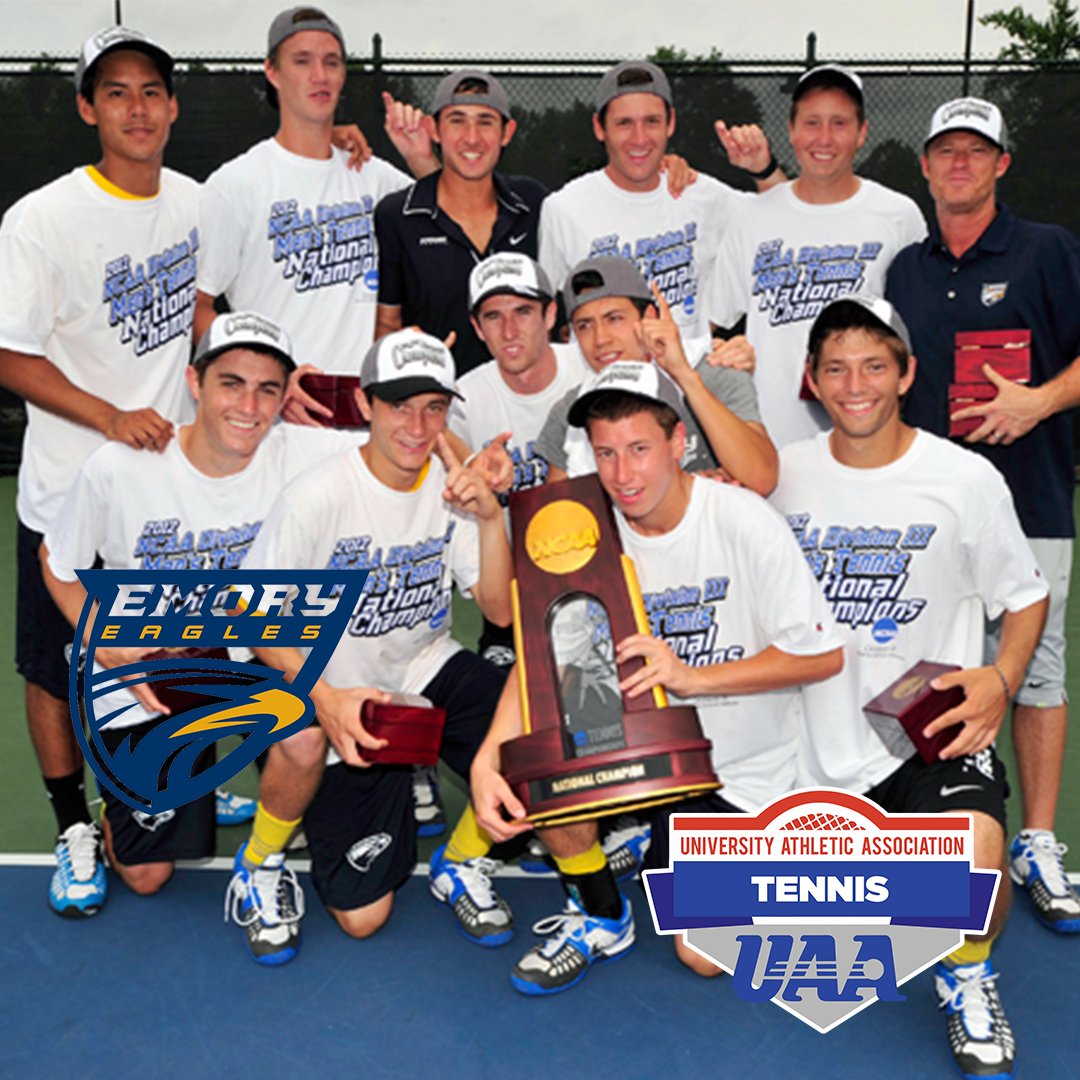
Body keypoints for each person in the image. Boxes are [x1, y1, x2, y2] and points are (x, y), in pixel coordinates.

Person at [470, 362, 842, 993]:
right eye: (607, 453)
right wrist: (486, 762)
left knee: (703, 953)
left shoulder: (742, 519)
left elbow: (820, 657)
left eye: (640, 449)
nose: (622, 474)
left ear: (678, 444)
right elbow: (541, 653)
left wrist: (693, 678)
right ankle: (601, 914)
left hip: (740, 770)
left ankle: (704, 843)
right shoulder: (586, 531)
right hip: (643, 756)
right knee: (541, 761)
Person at [770, 295, 1049, 1080]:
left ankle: (967, 977)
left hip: (927, 735)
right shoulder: (778, 474)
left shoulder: (964, 477)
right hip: (809, 742)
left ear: (906, 373)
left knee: (976, 870)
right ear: (812, 382)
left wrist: (1001, 676)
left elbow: (1026, 596)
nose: (855, 384)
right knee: (704, 950)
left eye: (873, 366)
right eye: (835, 368)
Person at [224, 329, 515, 965]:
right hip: (327, 684)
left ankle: (460, 862)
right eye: (399, 405)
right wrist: (325, 699)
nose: (417, 424)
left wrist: (492, 518)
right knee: (362, 917)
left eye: (433, 407)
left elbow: (496, 609)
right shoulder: (318, 496)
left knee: (534, 733)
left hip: (420, 668)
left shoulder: (452, 490)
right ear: (365, 405)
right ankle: (259, 860)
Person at [39, 312, 353, 897]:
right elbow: (57, 564)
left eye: (267, 390)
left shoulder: (304, 452)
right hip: (157, 655)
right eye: (231, 383)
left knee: (305, 741)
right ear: (194, 382)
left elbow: (402, 441)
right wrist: (106, 641)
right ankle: (130, 807)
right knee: (146, 875)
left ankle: (261, 858)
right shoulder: (121, 467)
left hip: (255, 644)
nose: (249, 406)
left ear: (286, 395)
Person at [0, 26, 198, 917]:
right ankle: (70, 822)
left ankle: (178, 777)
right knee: (56, 669)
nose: (137, 107)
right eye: (115, 92)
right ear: (88, 109)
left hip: (163, 505)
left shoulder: (198, 205)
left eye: (151, 90)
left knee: (168, 651)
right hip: (65, 499)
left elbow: (208, 309)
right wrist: (112, 417)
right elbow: (10, 355)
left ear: (172, 106)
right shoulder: (40, 219)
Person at [885, 97, 1080, 936]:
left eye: (976, 151)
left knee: (1035, 670)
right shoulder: (905, 269)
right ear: (924, 167)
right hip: (930, 512)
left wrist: (1039, 401)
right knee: (929, 663)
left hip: (1030, 497)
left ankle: (1036, 838)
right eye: (945, 152)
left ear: (1002, 164)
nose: (959, 163)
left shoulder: (1046, 250)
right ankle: (937, 823)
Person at [195, 6, 436, 425]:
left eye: (331, 62)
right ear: (272, 72)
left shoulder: (373, 176)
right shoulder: (235, 184)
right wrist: (269, 379)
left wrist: (420, 157)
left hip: (367, 425)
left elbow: (448, 217)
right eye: (302, 61)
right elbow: (199, 310)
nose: (320, 76)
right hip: (279, 426)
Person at [709, 64, 926, 446]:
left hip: (867, 444)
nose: (824, 138)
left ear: (862, 133)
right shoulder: (752, 217)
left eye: (839, 123)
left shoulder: (898, 215)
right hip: (770, 447)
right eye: (812, 123)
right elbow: (710, 321)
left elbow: (916, 328)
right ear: (791, 131)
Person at [539, 59, 784, 339]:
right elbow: (544, 315)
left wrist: (763, 169)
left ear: (671, 123)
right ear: (599, 127)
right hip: (603, 381)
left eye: (652, 121)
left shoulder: (701, 195)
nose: (639, 138)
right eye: (624, 124)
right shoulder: (563, 208)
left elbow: (785, 221)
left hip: (686, 379)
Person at [535, 255, 777, 495]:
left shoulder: (713, 371)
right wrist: (687, 486)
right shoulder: (571, 411)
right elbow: (560, 517)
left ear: (649, 317)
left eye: (615, 319)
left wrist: (684, 375)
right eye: (585, 325)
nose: (601, 339)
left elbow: (763, 478)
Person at [373, 69, 548, 375]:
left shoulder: (535, 203)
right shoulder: (397, 215)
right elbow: (388, 322)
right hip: (438, 405)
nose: (472, 137)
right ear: (434, 129)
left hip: (529, 401)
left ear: (507, 133)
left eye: (485, 122)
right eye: (457, 120)